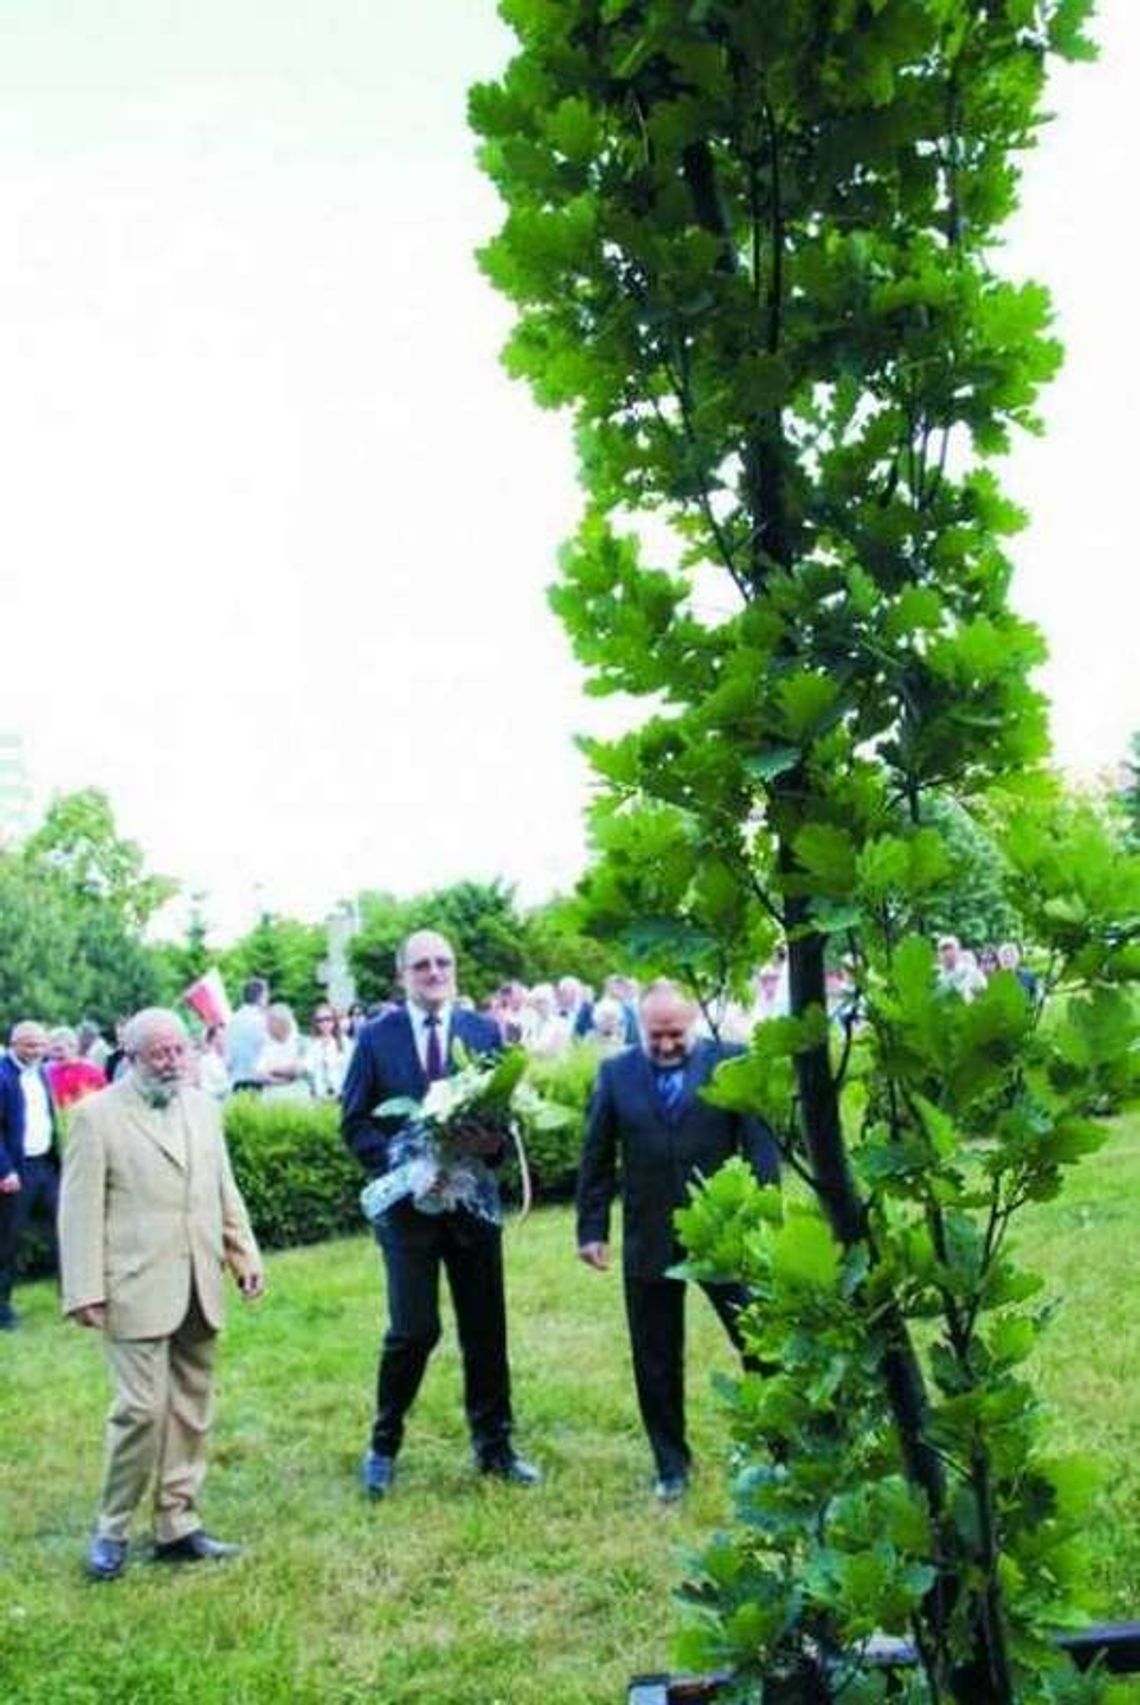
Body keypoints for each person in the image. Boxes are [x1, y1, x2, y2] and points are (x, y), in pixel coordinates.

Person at [58, 1007, 264, 1581]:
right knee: (140, 1413)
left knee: (191, 1410)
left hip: (200, 1281)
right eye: (160, 1053)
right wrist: (82, 1290)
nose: (173, 1062)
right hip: (133, 1287)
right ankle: (112, 1529)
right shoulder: (95, 1119)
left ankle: (177, 1523)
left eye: (180, 1050)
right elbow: (77, 1213)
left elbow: (224, 1189)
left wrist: (243, 1254)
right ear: (132, 1055)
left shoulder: (203, 1107)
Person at [341, 927, 540, 1498]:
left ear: (455, 970)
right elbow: (354, 1121)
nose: (434, 973)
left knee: (486, 1329)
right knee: (413, 1329)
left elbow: (506, 1132)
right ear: (403, 974)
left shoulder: (485, 1032)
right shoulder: (377, 1038)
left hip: (472, 1210)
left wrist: (488, 1146)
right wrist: (402, 1167)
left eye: (443, 963)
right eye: (422, 964)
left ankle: (495, 1447)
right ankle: (383, 1445)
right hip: (408, 1212)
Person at [576, 980, 780, 1501]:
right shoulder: (615, 1074)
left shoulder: (732, 1065)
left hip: (723, 1237)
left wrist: (761, 1221)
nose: (666, 1045)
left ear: (695, 1024)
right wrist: (592, 1230)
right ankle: (671, 1466)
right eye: (655, 1035)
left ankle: (787, 1449)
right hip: (649, 1238)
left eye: (676, 1034)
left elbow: (762, 1154)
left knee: (762, 1344)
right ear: (638, 1027)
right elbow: (596, 1158)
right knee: (656, 1357)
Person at [0, 1022, 60, 1330]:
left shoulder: (42, 1072)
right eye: (29, 1046)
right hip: (15, 1168)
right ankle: (2, 1306)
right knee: (7, 1239)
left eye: (40, 1045)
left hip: (44, 1165)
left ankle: (74, 1294)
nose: (36, 1051)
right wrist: (4, 1169)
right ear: (14, 1044)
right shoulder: (2, 1075)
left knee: (64, 1226)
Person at [255, 1002, 311, 1102]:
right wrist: (277, 1081)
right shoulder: (267, 1045)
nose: (266, 1026)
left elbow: (296, 1070)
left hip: (296, 1097)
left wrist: (272, 1070)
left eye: (269, 1022)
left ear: (279, 1022)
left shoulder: (300, 1042)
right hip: (271, 1100)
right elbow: (259, 1075)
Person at [45, 1026, 107, 1110]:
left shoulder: (92, 1072)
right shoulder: (45, 1072)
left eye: (58, 1049)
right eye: (51, 1050)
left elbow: (103, 1102)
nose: (54, 1055)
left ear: (73, 1047)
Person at [225, 977, 270, 1092]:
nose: (268, 998)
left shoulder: (233, 1019)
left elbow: (227, 1054)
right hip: (255, 1079)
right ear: (260, 997)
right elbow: (267, 1049)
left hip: (235, 1080)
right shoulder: (261, 1020)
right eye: (266, 994)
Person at [303, 1004, 349, 1099]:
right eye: (319, 1020)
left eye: (328, 1019)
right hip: (319, 1097)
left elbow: (350, 1071)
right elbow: (307, 1069)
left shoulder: (345, 1043)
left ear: (334, 1020)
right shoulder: (312, 1044)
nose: (324, 1023)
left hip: (341, 1096)